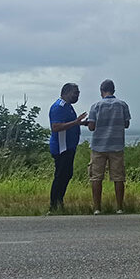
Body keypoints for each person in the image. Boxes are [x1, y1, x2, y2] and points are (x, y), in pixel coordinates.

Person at [86, 79, 131, 215]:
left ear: (101, 91)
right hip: (117, 146)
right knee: (118, 178)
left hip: (99, 147)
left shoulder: (96, 106)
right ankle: (119, 207)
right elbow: (126, 124)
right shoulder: (122, 105)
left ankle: (97, 208)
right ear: (114, 90)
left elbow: (91, 127)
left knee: (96, 177)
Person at [49, 83, 87, 213]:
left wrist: (81, 123)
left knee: (67, 174)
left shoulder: (68, 107)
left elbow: (69, 123)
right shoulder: (59, 107)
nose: (77, 95)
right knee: (60, 175)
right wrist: (76, 122)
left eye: (78, 93)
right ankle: (54, 204)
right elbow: (56, 127)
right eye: (75, 93)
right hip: (62, 147)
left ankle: (59, 201)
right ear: (66, 92)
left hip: (69, 147)